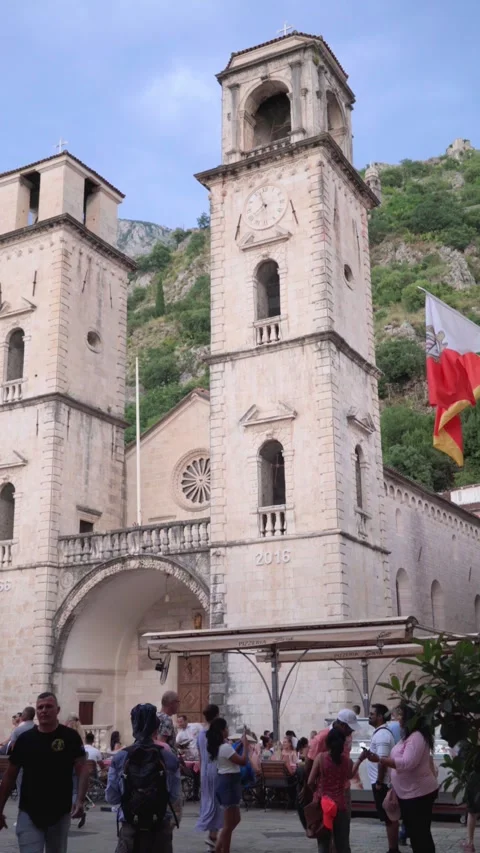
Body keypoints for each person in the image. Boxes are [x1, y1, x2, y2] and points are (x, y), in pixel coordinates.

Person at [0, 691, 88, 852]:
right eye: (40, 707)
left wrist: (80, 800)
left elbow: (82, 770)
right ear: (36, 711)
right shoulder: (25, 740)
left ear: (58, 710)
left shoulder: (70, 737)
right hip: (29, 811)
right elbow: (10, 776)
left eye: (48, 706)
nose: (44, 710)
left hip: (60, 811)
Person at [106, 703, 180, 853]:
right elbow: (173, 796)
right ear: (155, 727)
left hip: (130, 825)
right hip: (159, 825)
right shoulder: (169, 758)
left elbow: (112, 797)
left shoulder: (120, 757)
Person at [368, 701, 438, 853]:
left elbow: (407, 763)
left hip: (418, 794)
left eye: (401, 717)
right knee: (416, 834)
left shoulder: (417, 737)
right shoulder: (408, 736)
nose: (398, 720)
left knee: (420, 835)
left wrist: (380, 759)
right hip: (408, 793)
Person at [308, 728, 367, 853]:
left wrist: (317, 792)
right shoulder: (347, 761)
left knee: (323, 842)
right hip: (340, 806)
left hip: (323, 805)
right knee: (342, 843)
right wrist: (360, 759)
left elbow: (310, 781)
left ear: (328, 742)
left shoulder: (320, 758)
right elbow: (350, 776)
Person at [303, 709, 359, 837]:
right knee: (331, 835)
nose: (352, 732)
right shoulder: (320, 739)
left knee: (336, 834)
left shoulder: (346, 736)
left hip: (333, 793)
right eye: (350, 728)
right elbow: (309, 764)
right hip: (332, 796)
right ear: (343, 725)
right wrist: (309, 790)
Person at [206, 718, 248, 853]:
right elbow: (242, 761)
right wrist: (246, 746)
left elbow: (233, 757)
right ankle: (220, 849)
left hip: (229, 781)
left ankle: (222, 849)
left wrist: (240, 745)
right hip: (229, 783)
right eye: (226, 728)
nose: (227, 730)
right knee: (229, 824)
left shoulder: (221, 747)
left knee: (234, 820)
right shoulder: (224, 747)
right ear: (222, 731)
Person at [367, 703, 399, 853]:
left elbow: (382, 761)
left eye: (372, 714)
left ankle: (393, 848)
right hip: (381, 782)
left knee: (389, 817)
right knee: (388, 817)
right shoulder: (380, 733)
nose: (369, 716)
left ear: (380, 716)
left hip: (383, 783)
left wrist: (379, 782)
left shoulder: (382, 735)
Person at [195, 704, 223, 850]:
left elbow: (200, 756)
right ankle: (213, 835)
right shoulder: (216, 734)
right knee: (217, 802)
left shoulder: (200, 735)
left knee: (209, 800)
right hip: (216, 769)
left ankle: (213, 834)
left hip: (205, 771)